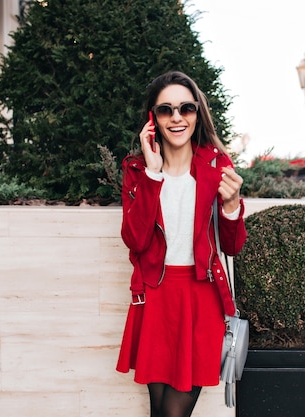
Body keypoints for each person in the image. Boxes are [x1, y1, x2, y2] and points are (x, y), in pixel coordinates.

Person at [116, 71, 247, 417]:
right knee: (159, 410)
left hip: (200, 298)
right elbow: (135, 240)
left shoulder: (216, 167)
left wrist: (232, 207)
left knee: (173, 413)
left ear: (197, 113)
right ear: (153, 119)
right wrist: (153, 174)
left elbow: (232, 246)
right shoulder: (138, 170)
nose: (177, 117)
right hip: (156, 297)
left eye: (186, 108)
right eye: (165, 110)